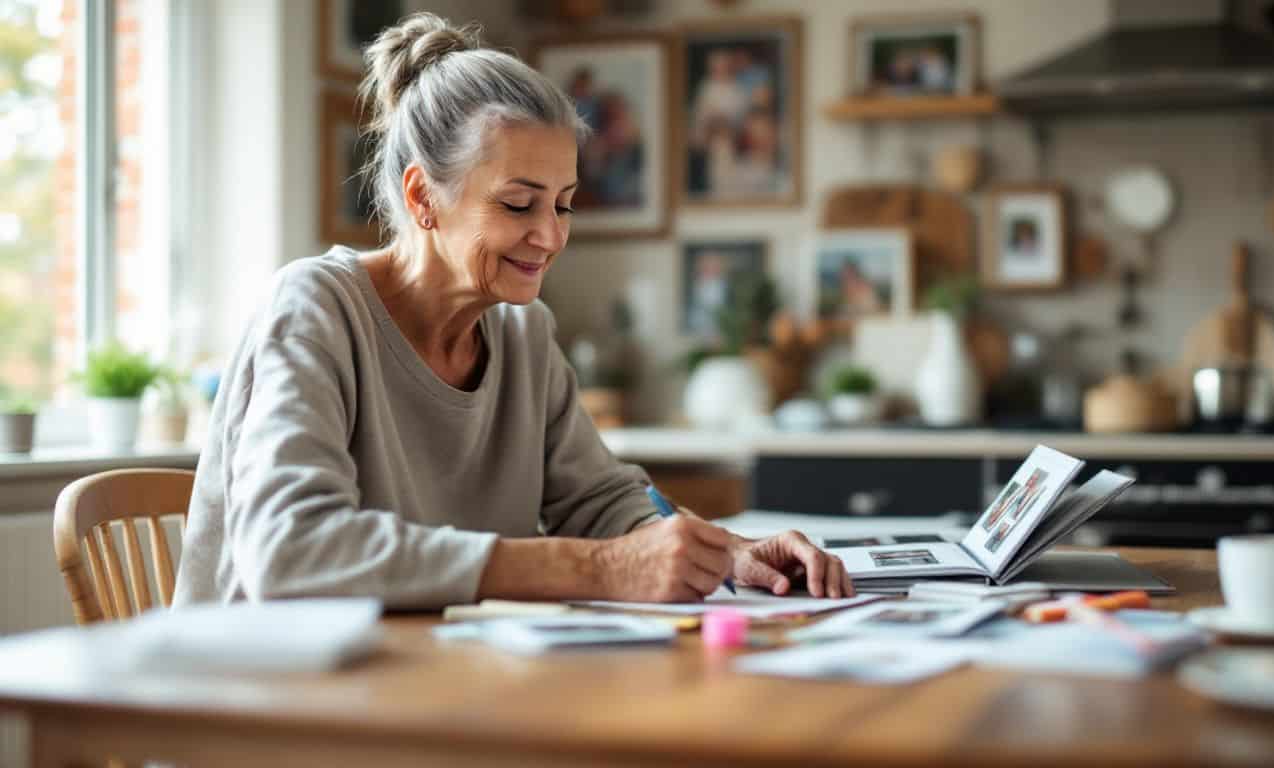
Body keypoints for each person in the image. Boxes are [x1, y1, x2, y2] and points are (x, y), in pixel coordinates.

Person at [174, 14, 853, 608]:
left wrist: (726, 552)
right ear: (421, 199)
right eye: (518, 204)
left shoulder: (525, 334)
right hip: (263, 712)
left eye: (563, 204)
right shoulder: (316, 307)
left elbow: (600, 503)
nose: (552, 236)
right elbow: (289, 552)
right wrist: (595, 568)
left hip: (418, 691)